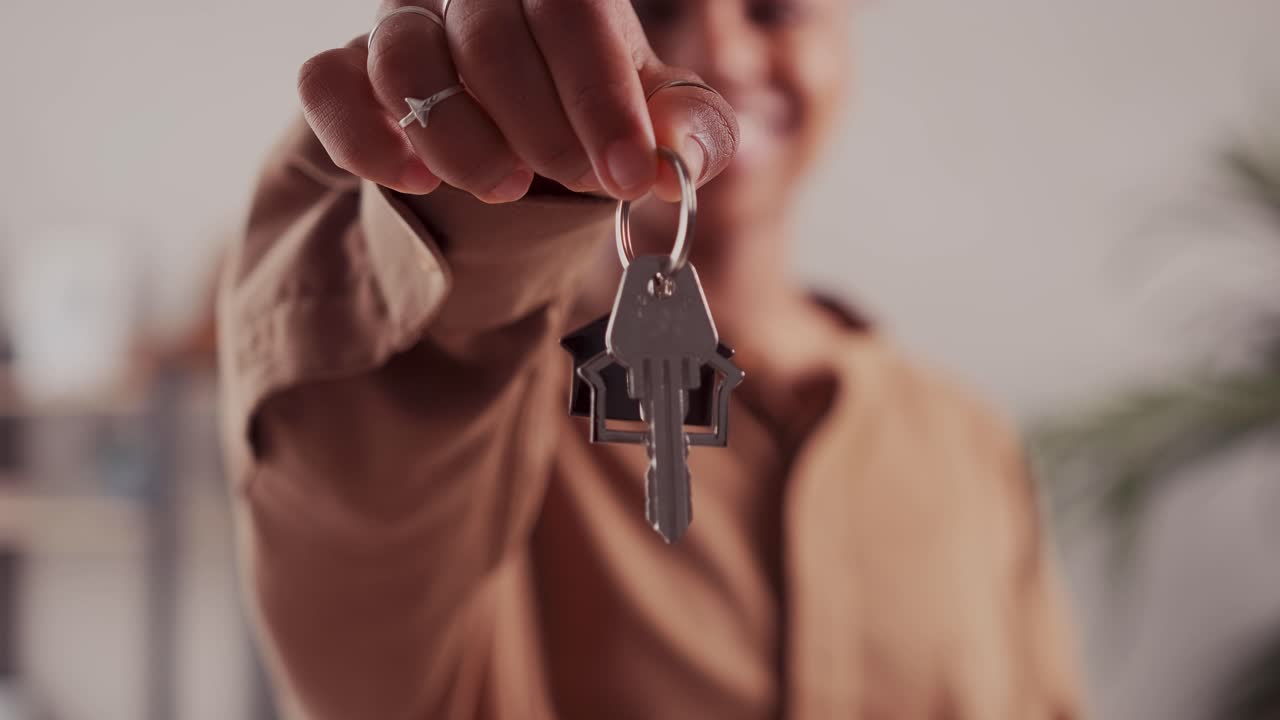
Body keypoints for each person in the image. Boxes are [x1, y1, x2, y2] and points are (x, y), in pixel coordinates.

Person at [218, 0, 1082, 717]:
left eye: (774, 9)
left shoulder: (969, 440)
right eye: (657, 8)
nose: (721, 54)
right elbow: (362, 445)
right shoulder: (467, 392)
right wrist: (477, 186)